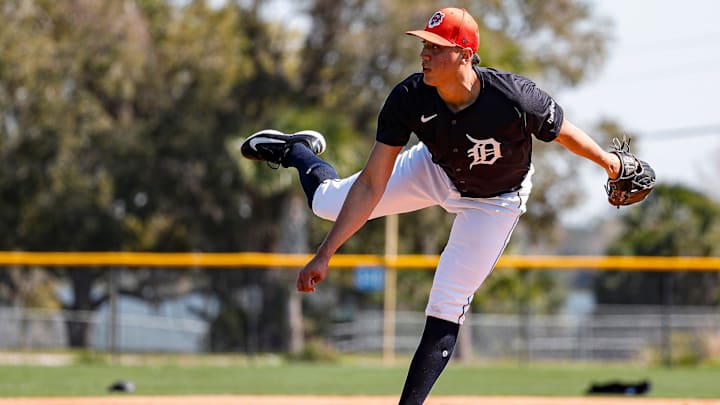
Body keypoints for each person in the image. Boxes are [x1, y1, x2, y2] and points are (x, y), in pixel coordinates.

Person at [241, 7, 621, 404]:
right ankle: (296, 150)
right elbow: (372, 183)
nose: (425, 53)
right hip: (434, 168)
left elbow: (565, 133)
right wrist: (325, 253)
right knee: (326, 204)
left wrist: (611, 164)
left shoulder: (513, 97)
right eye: (424, 44)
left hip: (495, 201)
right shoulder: (409, 97)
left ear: (465, 53)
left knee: (447, 300)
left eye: (436, 47)